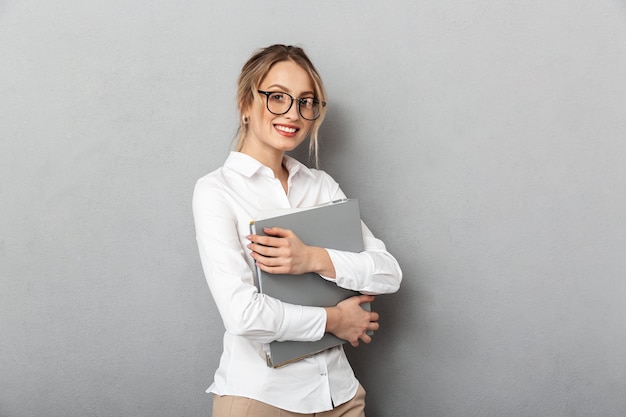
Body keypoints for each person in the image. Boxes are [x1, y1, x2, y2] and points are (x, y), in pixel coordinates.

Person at [192, 44, 402, 417]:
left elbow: (388, 273)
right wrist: (336, 320)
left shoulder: (321, 186)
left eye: (306, 102)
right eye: (277, 97)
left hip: (342, 397)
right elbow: (243, 315)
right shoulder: (216, 191)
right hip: (262, 399)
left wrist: (312, 258)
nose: (294, 113)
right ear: (245, 102)